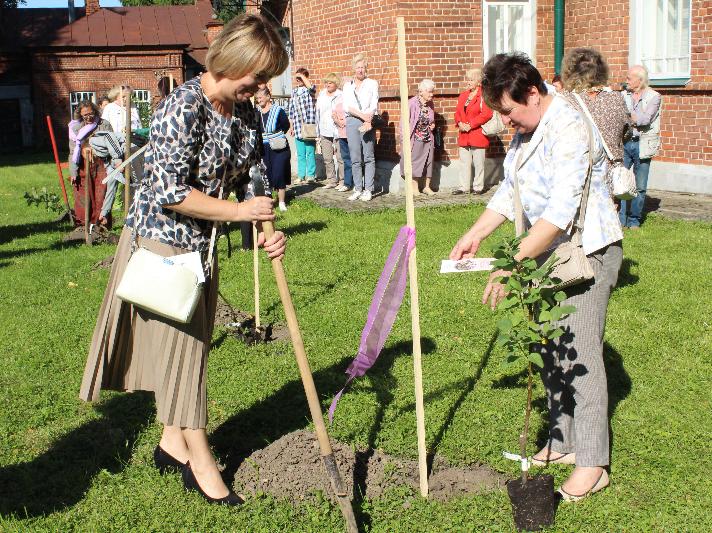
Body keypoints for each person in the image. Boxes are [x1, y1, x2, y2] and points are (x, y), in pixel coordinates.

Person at [79, 14, 289, 506]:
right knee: (185, 355)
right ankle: (201, 462)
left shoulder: (242, 113)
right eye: (256, 76)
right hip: (164, 246)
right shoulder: (183, 106)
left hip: (203, 248)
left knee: (190, 347)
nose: (260, 88)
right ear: (232, 60)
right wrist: (237, 211)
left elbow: (254, 175)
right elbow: (171, 191)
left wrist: (266, 231)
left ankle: (172, 442)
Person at [450, 53, 623, 502]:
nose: (506, 122)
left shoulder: (567, 126)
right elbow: (512, 191)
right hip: (545, 253)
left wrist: (513, 263)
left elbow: (560, 213)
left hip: (586, 252)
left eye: (508, 112)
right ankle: (563, 442)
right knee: (551, 351)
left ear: (531, 93)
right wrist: (475, 234)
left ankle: (593, 463)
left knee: (580, 355)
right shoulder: (527, 131)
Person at [561, 48, 630, 199]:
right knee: (606, 218)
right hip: (608, 177)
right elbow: (625, 133)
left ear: (569, 71)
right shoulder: (617, 99)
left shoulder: (564, 100)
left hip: (575, 175)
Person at [620, 65, 661, 229]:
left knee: (640, 186)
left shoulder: (654, 96)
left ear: (639, 80)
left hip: (643, 144)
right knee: (620, 182)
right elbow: (620, 116)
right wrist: (632, 117)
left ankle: (634, 220)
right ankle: (620, 219)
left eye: (629, 78)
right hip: (625, 141)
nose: (626, 81)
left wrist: (628, 116)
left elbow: (645, 120)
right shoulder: (624, 95)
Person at [67, 100, 113, 228]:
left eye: (91, 113)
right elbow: (72, 151)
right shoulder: (75, 128)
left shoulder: (104, 125)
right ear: (80, 115)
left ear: (95, 111)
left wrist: (96, 149)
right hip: (83, 165)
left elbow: (113, 144)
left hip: (101, 164)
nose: (89, 117)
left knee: (101, 195)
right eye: (85, 115)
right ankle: (83, 225)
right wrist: (73, 172)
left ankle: (101, 224)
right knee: (83, 195)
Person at [343, 53, 379, 202]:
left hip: (368, 121)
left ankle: (368, 189)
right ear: (353, 69)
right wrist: (362, 116)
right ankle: (357, 188)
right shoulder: (347, 86)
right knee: (355, 157)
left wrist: (368, 118)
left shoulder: (372, 83)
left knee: (369, 156)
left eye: (363, 67)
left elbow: (374, 103)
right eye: (357, 67)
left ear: (366, 69)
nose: (360, 70)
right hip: (353, 120)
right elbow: (347, 106)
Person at [453, 68, 493, 195]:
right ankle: (464, 187)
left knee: (478, 163)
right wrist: (459, 123)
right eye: (467, 79)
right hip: (464, 133)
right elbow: (457, 112)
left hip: (477, 134)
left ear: (478, 81)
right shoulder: (463, 95)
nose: (468, 82)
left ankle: (478, 187)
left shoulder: (483, 96)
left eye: (471, 79)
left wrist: (470, 125)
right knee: (464, 162)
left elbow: (487, 114)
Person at [255, 86, 291, 212]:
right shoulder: (257, 112)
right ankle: (269, 200)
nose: (258, 100)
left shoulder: (278, 110)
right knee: (267, 173)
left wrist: (276, 136)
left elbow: (286, 125)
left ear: (268, 97)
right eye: (257, 98)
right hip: (264, 148)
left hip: (279, 147)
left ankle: (281, 202)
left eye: (260, 97)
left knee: (279, 172)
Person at [400, 79, 437, 196]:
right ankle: (414, 188)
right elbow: (403, 123)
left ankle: (427, 187)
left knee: (428, 162)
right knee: (415, 163)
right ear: (421, 92)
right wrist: (403, 139)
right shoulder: (411, 103)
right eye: (429, 92)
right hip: (415, 138)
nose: (432, 94)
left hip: (428, 138)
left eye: (432, 92)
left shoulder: (430, 104)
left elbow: (430, 119)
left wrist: (433, 124)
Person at [288, 67, 317, 182]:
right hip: (297, 126)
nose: (298, 79)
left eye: (300, 78)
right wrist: (291, 127)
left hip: (308, 126)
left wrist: (302, 76)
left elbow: (312, 88)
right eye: (297, 77)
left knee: (310, 151)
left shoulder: (309, 90)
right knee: (300, 153)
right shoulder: (294, 92)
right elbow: (291, 111)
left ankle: (311, 175)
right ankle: (301, 175)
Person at [316, 72, 345, 189]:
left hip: (338, 129)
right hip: (324, 128)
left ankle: (343, 181)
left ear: (336, 83)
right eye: (326, 82)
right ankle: (331, 180)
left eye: (330, 82)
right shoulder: (322, 94)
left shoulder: (341, 95)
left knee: (340, 157)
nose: (327, 84)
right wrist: (317, 131)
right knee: (327, 157)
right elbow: (317, 113)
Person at [332, 78, 353, 192]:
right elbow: (333, 113)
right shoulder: (339, 98)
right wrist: (337, 121)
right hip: (341, 133)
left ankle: (357, 183)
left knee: (355, 159)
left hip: (352, 132)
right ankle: (347, 182)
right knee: (345, 158)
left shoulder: (354, 97)